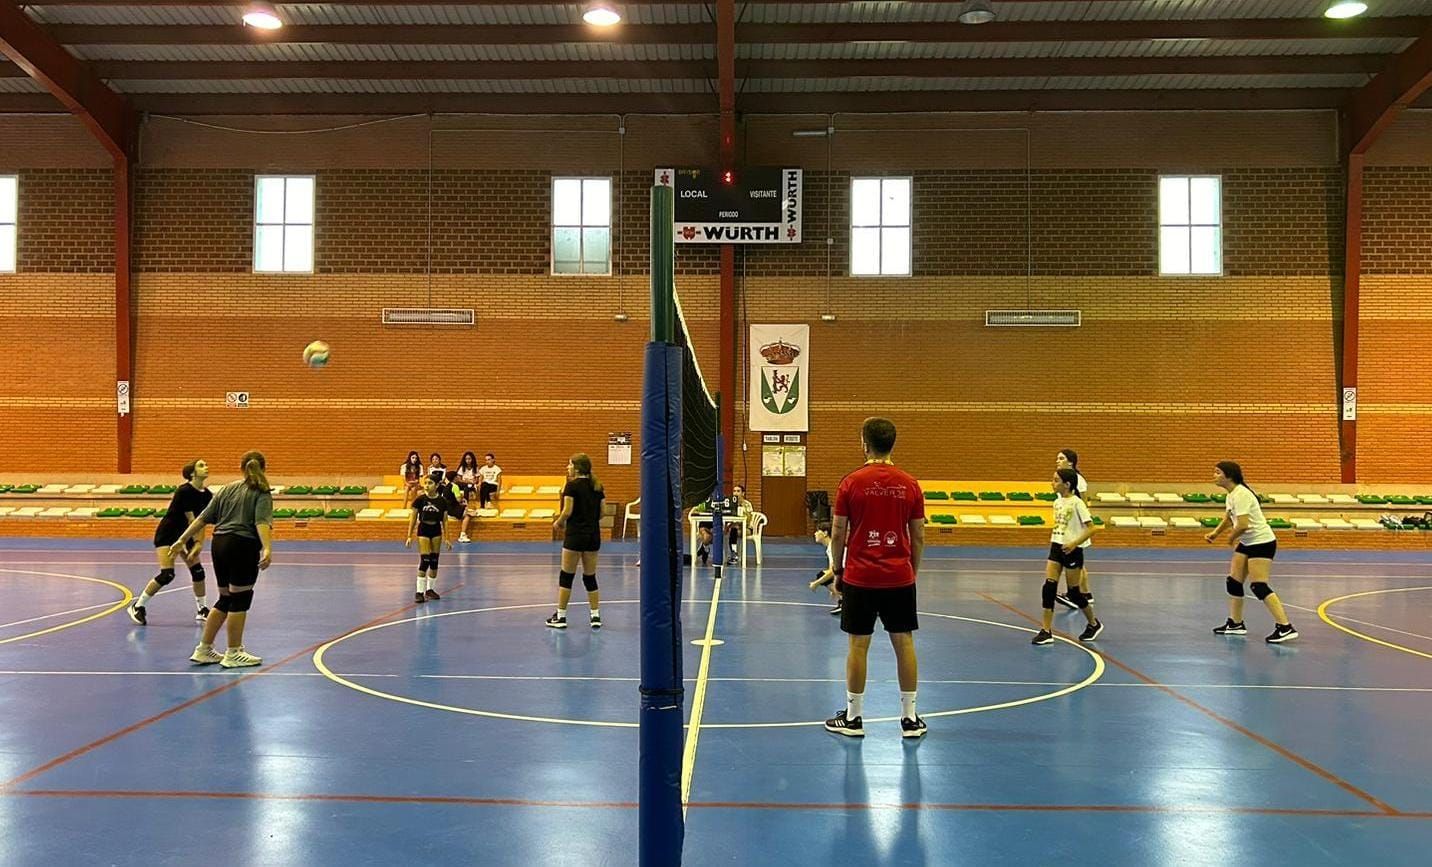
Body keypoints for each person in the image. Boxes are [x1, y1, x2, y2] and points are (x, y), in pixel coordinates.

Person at [824, 417, 927, 739]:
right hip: (899, 576)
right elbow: (919, 535)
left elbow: (839, 530)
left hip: (860, 577)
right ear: (892, 443)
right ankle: (909, 718)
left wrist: (837, 571)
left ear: (863, 443)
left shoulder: (851, 482)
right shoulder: (910, 484)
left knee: (858, 645)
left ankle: (854, 718)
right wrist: (912, 571)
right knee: (904, 642)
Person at [170, 450, 273, 669]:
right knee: (240, 599)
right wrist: (267, 548)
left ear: (241, 467)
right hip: (242, 545)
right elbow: (261, 522)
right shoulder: (262, 492)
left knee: (225, 599)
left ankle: (204, 649)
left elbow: (203, 518)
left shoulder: (227, 489)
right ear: (263, 468)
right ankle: (234, 652)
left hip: (220, 544)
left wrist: (182, 539)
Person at [1206, 461, 1298, 644]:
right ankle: (1235, 623)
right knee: (1233, 582)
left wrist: (1231, 538)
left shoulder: (1241, 494)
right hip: (1247, 542)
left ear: (1229, 476)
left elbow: (1243, 525)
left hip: (1261, 542)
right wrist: (1216, 533)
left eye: (1217, 473)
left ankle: (1285, 627)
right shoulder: (1231, 495)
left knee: (1258, 586)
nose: (1213, 476)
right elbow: (1229, 517)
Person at [128, 459, 214, 625]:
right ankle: (138, 606)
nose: (206, 467)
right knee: (167, 574)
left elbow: (202, 521)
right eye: (201, 465)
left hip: (186, 535)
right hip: (168, 534)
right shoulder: (184, 491)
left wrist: (198, 544)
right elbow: (192, 519)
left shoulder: (207, 495)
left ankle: (202, 609)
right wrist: (190, 542)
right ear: (192, 473)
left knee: (198, 572)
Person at [1031, 468, 1103, 646]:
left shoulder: (1077, 503)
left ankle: (1093, 623)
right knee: (1048, 588)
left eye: (1056, 480)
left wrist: (1074, 543)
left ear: (1067, 484)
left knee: (1074, 593)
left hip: (1072, 550)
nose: (1052, 483)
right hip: (1056, 546)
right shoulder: (1057, 502)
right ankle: (1046, 631)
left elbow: (1092, 528)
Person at [546, 453, 605, 630]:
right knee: (590, 577)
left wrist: (558, 522)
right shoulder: (597, 486)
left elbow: (568, 510)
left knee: (566, 576)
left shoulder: (571, 486)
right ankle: (595, 616)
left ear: (577, 468)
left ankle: (561, 617)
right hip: (593, 536)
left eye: (569, 464)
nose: (567, 467)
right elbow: (602, 512)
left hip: (575, 536)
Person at [1052, 449, 1090, 612]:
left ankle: (1081, 593)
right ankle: (1085, 593)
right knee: (1078, 565)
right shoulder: (1061, 482)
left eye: (1061, 458)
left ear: (1071, 462)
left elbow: (1083, 501)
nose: (1057, 461)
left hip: (1076, 528)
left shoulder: (1078, 480)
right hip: (1065, 527)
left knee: (1077, 564)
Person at [406, 475, 451, 603]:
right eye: (425, 483)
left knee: (434, 561)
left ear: (437, 485)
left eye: (430, 483)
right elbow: (413, 518)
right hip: (424, 529)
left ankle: (430, 590)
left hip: (436, 530)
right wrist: (409, 535)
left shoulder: (442, 501)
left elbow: (445, 521)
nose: (426, 485)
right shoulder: (420, 500)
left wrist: (447, 538)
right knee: (425, 560)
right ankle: (419, 592)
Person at [808, 520, 842, 616]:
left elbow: (832, 571)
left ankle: (846, 601)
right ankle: (843, 599)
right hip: (846, 574)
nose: (815, 533)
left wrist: (816, 583)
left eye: (818, 531)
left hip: (850, 576)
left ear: (825, 533)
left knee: (822, 576)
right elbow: (832, 569)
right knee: (824, 575)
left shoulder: (832, 547)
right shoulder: (831, 547)